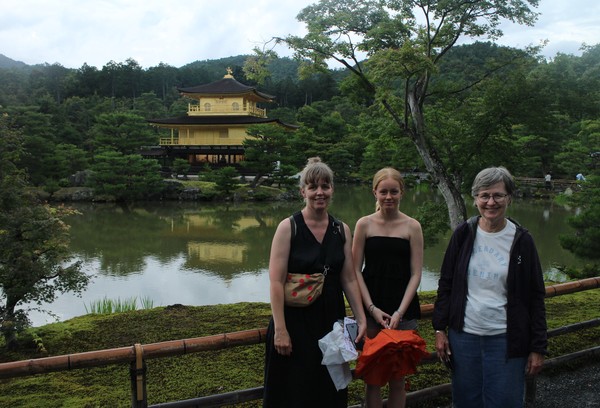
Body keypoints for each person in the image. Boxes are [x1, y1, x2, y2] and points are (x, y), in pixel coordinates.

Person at [432, 166, 547, 408]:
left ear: (509, 198)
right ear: (475, 200)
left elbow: (536, 296)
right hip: (464, 337)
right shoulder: (464, 234)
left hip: (506, 339)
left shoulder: (522, 240)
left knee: (505, 401)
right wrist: (439, 329)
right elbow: (447, 284)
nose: (491, 202)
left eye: (498, 195)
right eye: (484, 195)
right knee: (466, 401)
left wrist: (538, 347)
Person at [263, 157, 367, 408]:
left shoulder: (341, 229)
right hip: (294, 320)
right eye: (313, 187)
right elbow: (276, 281)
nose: (319, 192)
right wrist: (280, 329)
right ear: (303, 191)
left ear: (332, 189)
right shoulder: (289, 227)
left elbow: (349, 277)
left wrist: (360, 317)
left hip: (331, 320)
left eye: (325, 186)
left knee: (329, 388)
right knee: (292, 390)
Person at [352, 167, 424, 408]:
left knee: (397, 377)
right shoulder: (364, 224)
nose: (389, 197)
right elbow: (354, 271)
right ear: (375, 193)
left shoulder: (412, 226)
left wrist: (399, 313)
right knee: (372, 378)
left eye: (394, 191)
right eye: (383, 192)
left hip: (402, 311)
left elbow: (416, 274)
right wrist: (371, 309)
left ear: (402, 192)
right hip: (371, 310)